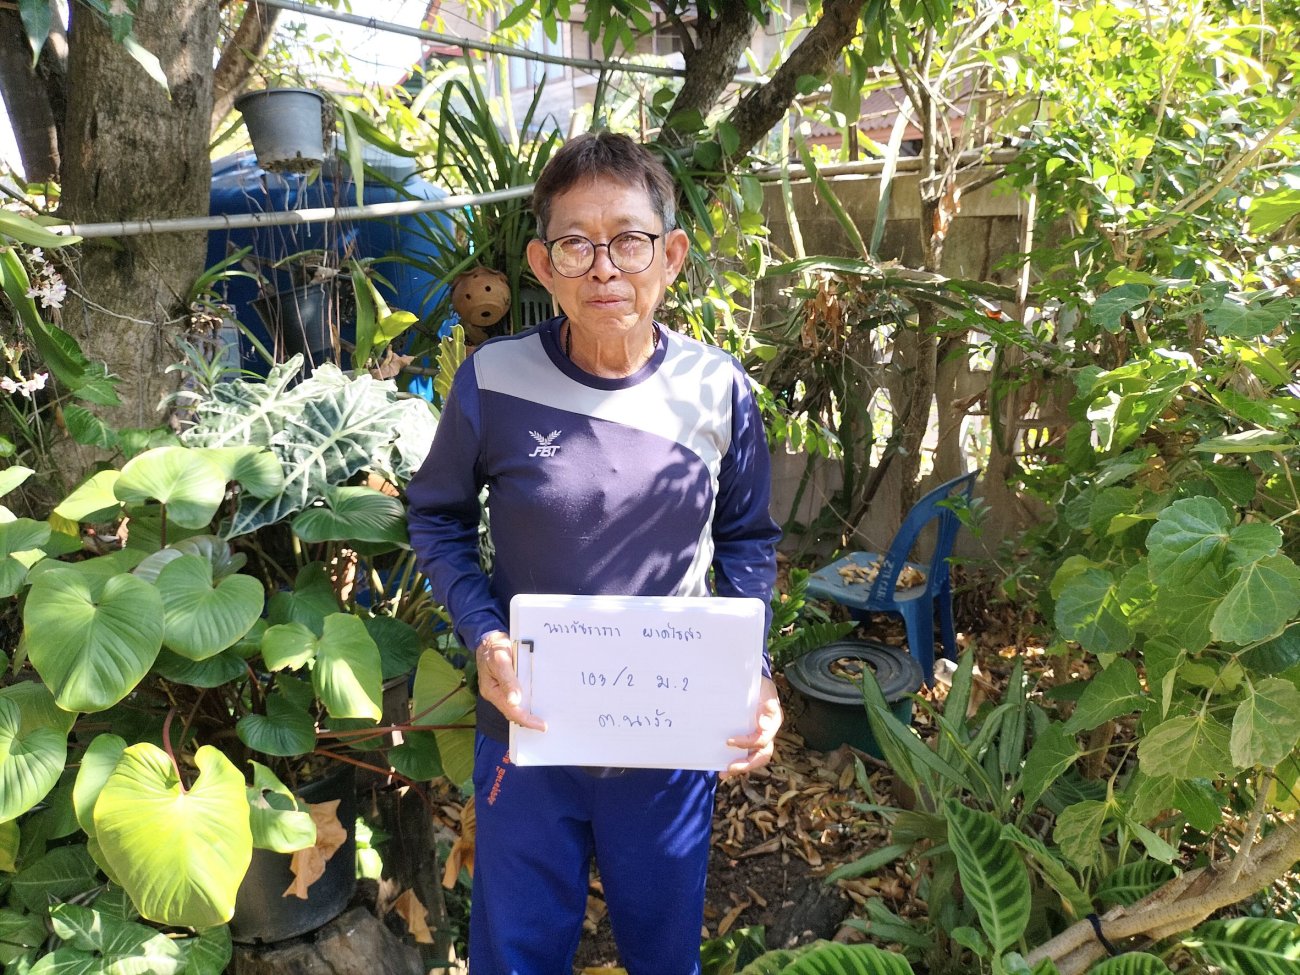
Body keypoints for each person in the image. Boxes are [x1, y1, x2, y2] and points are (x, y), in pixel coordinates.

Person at [406, 131, 782, 975]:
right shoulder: (493, 380)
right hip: (529, 726)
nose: (605, 268)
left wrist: (752, 669)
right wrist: (483, 634)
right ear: (543, 265)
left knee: (663, 949)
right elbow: (436, 519)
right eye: (577, 244)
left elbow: (747, 539)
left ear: (671, 256)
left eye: (629, 241)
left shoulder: (717, 389)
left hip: (669, 733)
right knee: (515, 953)